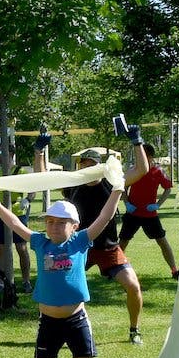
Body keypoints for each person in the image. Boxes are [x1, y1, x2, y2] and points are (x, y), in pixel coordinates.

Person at [0, 165, 125, 358]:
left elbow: (104, 216)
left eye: (60, 222)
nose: (53, 226)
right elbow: (15, 224)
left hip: (76, 320)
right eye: (49, 221)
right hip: (48, 322)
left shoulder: (80, 241)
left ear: (74, 226)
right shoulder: (40, 242)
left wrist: (118, 189)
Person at [60, 135, 149, 345]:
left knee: (133, 286)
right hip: (79, 247)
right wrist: (39, 151)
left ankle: (134, 330)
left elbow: (141, 170)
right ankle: (60, 329)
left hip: (108, 248)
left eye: (93, 165)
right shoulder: (74, 185)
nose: (88, 169)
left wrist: (137, 143)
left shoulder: (112, 183)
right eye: (85, 165)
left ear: (100, 167)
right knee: (62, 287)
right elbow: (43, 176)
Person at [116, 142, 179, 280]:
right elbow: (122, 187)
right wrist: (127, 203)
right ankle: (114, 270)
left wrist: (158, 205)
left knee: (162, 242)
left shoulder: (158, 171)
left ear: (149, 156)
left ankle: (174, 270)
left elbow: (168, 188)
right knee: (122, 243)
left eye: (143, 154)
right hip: (132, 214)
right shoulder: (133, 170)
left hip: (150, 215)